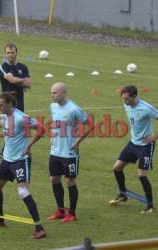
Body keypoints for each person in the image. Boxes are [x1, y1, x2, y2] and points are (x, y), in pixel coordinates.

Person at [0, 92, 46, 240]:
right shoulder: (3, 117)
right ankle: (0, 220)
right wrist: (3, 150)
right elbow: (10, 137)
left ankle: (39, 228)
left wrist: (30, 145)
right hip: (7, 160)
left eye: (1, 104)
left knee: (23, 191)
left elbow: (41, 128)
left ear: (10, 104)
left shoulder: (21, 118)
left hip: (21, 160)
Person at [109, 85, 158, 213]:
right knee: (116, 168)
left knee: (141, 174)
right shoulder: (127, 105)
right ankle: (123, 194)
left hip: (146, 146)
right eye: (123, 99)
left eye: (127, 99)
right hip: (133, 143)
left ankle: (150, 205)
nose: (124, 101)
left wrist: (155, 136)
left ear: (134, 96)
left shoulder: (146, 108)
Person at [47, 82, 94, 222]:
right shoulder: (53, 106)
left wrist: (78, 141)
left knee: (70, 181)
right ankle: (61, 210)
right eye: (51, 92)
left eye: (55, 93)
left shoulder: (74, 109)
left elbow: (90, 125)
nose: (52, 95)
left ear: (63, 93)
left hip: (69, 153)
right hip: (55, 151)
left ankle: (72, 214)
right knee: (54, 179)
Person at [0, 43, 31, 112]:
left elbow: (28, 84)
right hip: (6, 104)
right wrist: (23, 80)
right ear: (5, 54)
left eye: (12, 52)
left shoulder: (23, 67)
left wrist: (16, 80)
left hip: (19, 104)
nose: (10, 55)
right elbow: (12, 80)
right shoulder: (3, 67)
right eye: (8, 53)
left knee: (19, 122)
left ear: (16, 53)